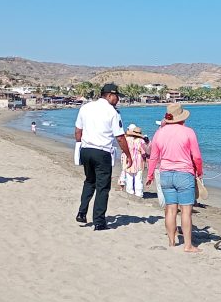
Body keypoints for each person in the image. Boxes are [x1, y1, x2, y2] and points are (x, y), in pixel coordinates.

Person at [74, 83, 132, 230]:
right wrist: (128, 154)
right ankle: (99, 221)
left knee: (89, 181)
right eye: (117, 96)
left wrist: (79, 146)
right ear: (110, 95)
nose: (118, 99)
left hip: (86, 150)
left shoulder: (86, 107)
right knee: (102, 187)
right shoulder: (112, 112)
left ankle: (82, 212)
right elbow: (120, 137)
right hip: (102, 152)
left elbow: (78, 131)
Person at [146, 104, 204, 252]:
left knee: (170, 210)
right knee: (186, 211)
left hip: (165, 174)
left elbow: (153, 157)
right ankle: (188, 245)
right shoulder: (188, 132)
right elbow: (196, 156)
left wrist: (150, 175)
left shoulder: (159, 133)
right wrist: (199, 171)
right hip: (184, 174)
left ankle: (172, 242)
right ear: (182, 118)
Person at [121, 124, 149, 197]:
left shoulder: (127, 139)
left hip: (128, 160)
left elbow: (123, 149)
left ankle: (130, 191)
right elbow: (144, 152)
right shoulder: (141, 141)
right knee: (138, 179)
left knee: (129, 177)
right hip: (138, 161)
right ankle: (138, 193)